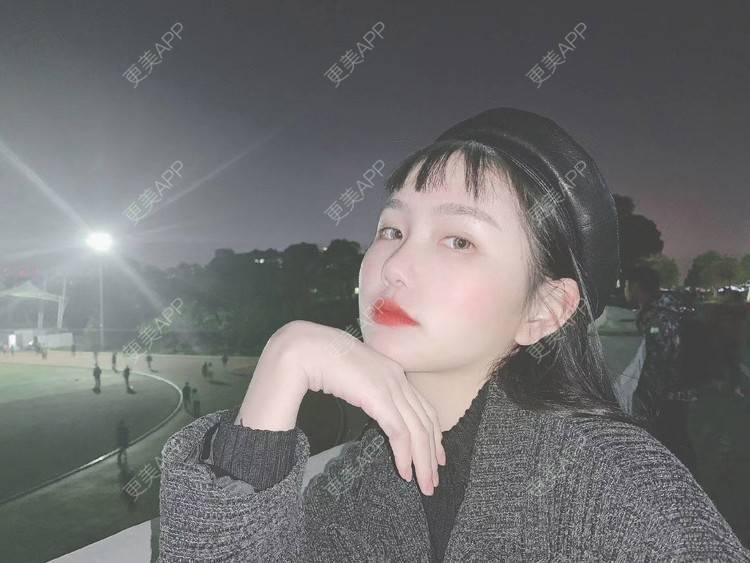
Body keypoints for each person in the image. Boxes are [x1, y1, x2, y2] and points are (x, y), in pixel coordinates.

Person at [158, 107, 750, 561]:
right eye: (392, 230)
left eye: (458, 240)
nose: (394, 266)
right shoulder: (369, 481)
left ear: (544, 310)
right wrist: (284, 360)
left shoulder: (613, 485)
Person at [624, 266, 699, 474]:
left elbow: (660, 359)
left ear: (637, 286)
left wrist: (645, 392)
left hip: (671, 392)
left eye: (627, 285)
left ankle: (684, 478)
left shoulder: (658, 316)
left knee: (672, 438)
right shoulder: (663, 310)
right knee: (673, 436)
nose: (625, 290)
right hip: (678, 389)